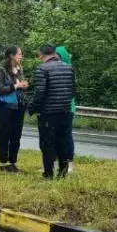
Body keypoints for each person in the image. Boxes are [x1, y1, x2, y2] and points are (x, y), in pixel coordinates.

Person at [29, 44, 77, 179]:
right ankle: (63, 172)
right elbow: (73, 91)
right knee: (62, 142)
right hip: (65, 111)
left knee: (47, 143)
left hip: (48, 113)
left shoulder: (42, 69)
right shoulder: (69, 68)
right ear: (54, 53)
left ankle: (48, 174)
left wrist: (33, 108)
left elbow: (40, 93)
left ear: (41, 55)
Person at [0, 46, 29, 172]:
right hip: (5, 107)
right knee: (5, 134)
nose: (21, 56)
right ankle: (3, 163)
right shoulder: (1, 70)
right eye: (19, 54)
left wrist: (23, 86)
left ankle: (12, 162)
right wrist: (16, 85)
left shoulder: (19, 69)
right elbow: (0, 89)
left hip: (19, 106)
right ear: (12, 55)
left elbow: (19, 87)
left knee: (16, 135)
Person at [54, 45, 76, 174]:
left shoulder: (69, 70)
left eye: (58, 56)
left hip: (67, 107)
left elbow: (72, 91)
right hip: (56, 107)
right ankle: (56, 163)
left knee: (66, 136)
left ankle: (70, 164)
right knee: (54, 136)